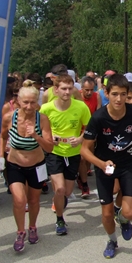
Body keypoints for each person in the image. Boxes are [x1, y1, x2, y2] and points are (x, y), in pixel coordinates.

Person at [80, 74, 132, 259]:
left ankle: (122, 219)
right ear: (106, 93)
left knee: (130, 213)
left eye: (123, 94)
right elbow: (84, 150)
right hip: (105, 166)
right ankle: (112, 240)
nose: (119, 99)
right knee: (106, 214)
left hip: (128, 164)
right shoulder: (98, 117)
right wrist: (101, 164)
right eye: (114, 94)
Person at [0, 80, 54, 252]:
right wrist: (0, 157)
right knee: (19, 200)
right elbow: (3, 136)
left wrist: (36, 136)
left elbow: (49, 148)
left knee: (34, 200)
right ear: (18, 101)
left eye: (32, 102)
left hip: (37, 165)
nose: (29, 107)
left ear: (37, 102)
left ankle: (33, 227)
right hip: (15, 164)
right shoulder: (9, 117)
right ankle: (20, 231)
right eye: (26, 102)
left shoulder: (42, 119)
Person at [40, 74, 91, 235]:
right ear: (55, 90)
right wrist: (49, 138)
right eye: (63, 88)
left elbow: (90, 128)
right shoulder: (46, 109)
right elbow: (40, 130)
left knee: (67, 192)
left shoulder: (81, 107)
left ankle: (60, 201)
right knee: (60, 189)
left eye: (70, 88)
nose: (67, 92)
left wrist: (80, 139)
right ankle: (60, 219)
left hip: (73, 153)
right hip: (54, 152)